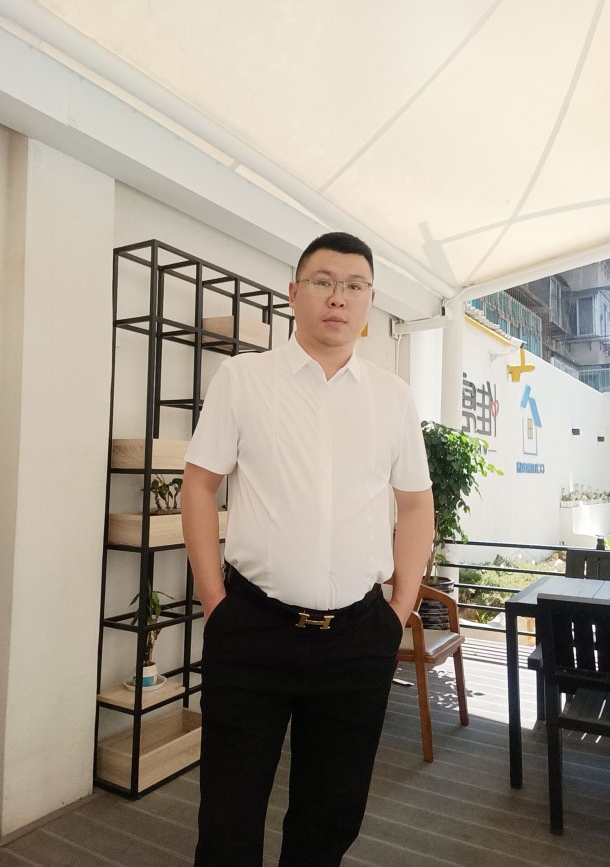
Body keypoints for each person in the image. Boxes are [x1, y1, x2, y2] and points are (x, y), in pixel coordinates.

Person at [182, 232, 434, 866]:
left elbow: (415, 505)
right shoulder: (242, 379)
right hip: (252, 630)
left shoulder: (392, 397)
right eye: (323, 282)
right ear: (294, 293)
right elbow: (199, 485)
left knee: (329, 818)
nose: (338, 297)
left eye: (354, 286)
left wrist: (399, 610)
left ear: (370, 300)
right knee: (228, 817)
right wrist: (214, 601)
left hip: (357, 638)